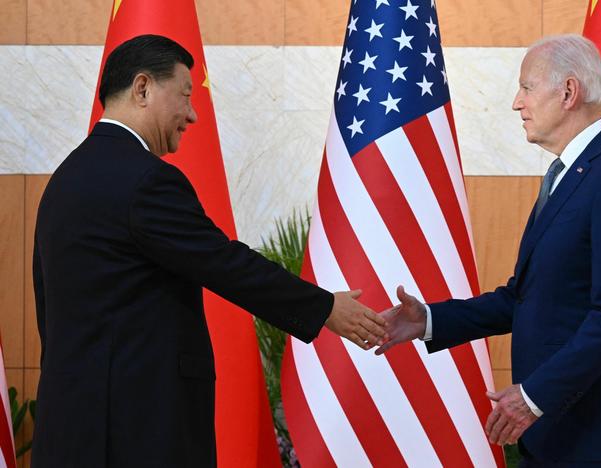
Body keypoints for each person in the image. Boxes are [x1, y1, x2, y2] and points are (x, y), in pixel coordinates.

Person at [31, 34, 386, 468]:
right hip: (136, 433)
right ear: (142, 89)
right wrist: (324, 307)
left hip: (69, 429)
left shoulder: (62, 182)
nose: (193, 115)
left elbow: (50, 310)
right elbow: (225, 263)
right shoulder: (146, 181)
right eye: (185, 94)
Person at [376, 34, 601, 467]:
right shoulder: (567, 176)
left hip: (600, 439)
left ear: (568, 92)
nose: (517, 102)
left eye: (527, 87)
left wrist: (533, 397)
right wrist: (430, 320)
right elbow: (524, 297)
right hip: (554, 435)